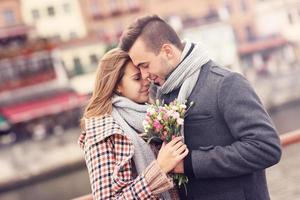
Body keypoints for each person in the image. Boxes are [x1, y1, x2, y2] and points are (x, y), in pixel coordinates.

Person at [119, 15, 282, 200]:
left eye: (145, 65)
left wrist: (189, 164)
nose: (144, 75)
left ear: (167, 51)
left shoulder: (225, 84)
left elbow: (266, 147)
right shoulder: (161, 94)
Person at [78, 48, 187, 199]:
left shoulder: (154, 113)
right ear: (116, 85)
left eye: (144, 75)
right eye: (137, 78)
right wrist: (159, 168)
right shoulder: (102, 132)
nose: (146, 82)